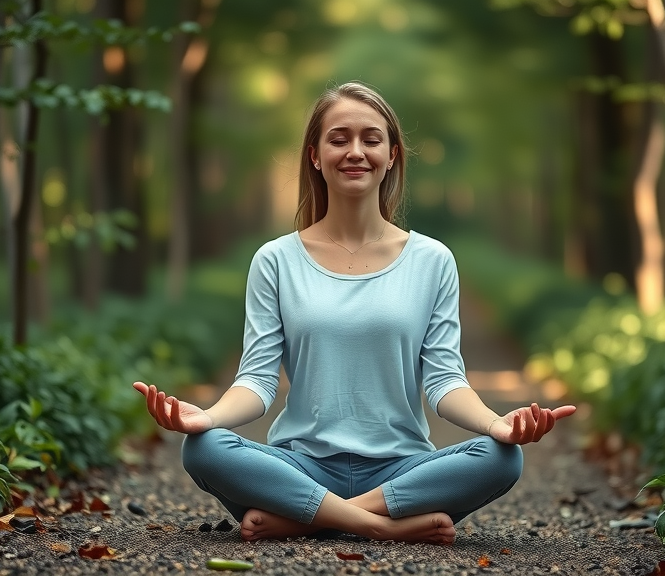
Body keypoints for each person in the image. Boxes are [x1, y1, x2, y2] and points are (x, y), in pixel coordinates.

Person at [133, 81, 576, 545]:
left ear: (392, 154)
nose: (355, 152)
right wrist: (207, 417)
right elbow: (258, 381)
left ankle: (307, 518)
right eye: (339, 139)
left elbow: (445, 380)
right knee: (203, 449)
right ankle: (379, 526)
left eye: (371, 139)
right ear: (315, 155)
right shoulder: (276, 260)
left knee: (503, 457)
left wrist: (496, 424)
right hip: (300, 466)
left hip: (401, 470)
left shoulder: (432, 260)